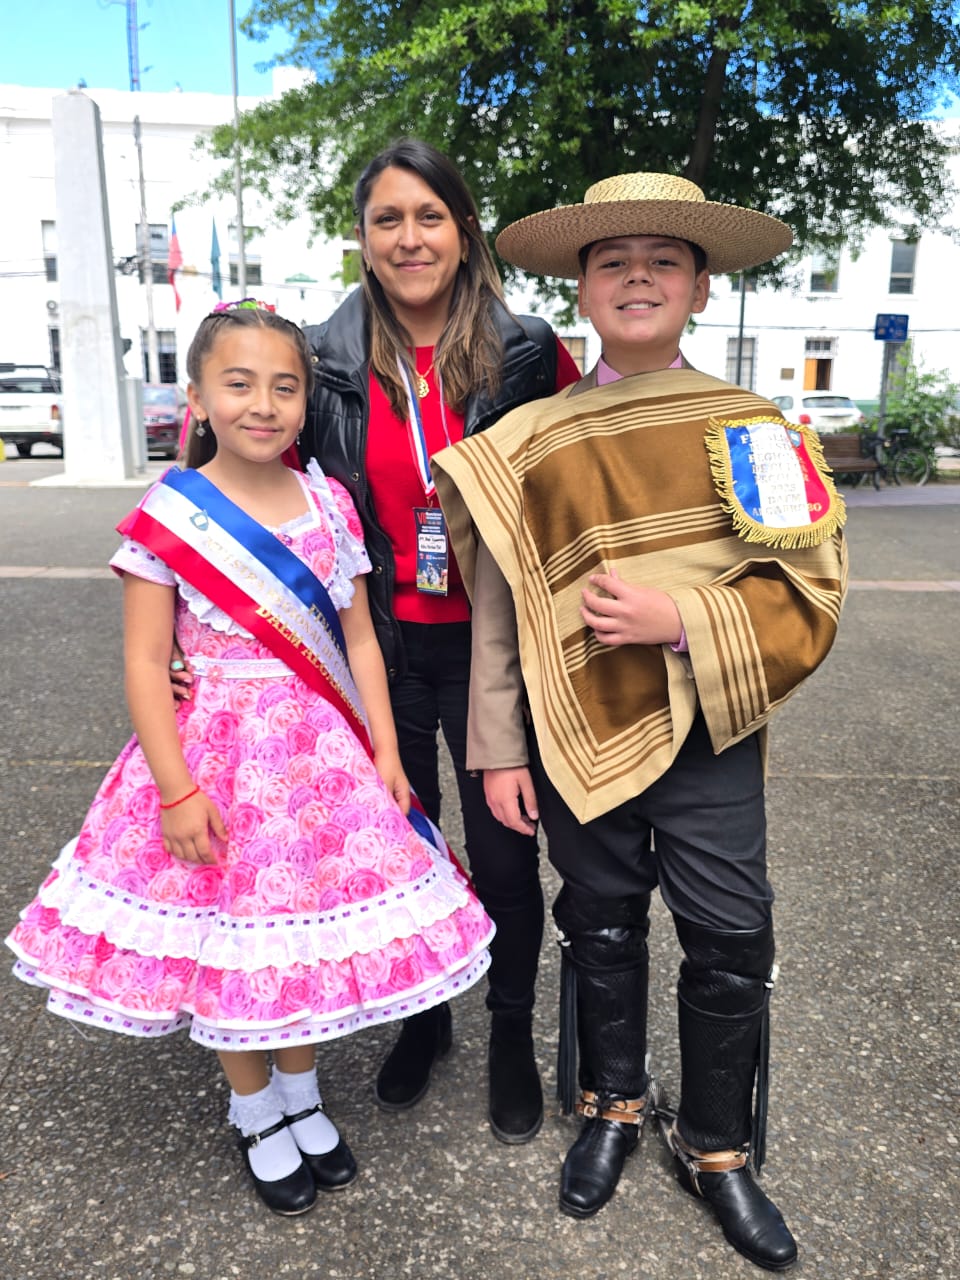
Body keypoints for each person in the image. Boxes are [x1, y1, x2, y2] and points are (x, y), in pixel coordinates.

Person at [432, 173, 847, 1270]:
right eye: (612, 260)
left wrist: (683, 616)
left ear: (701, 289)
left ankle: (717, 1146)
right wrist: (499, 748)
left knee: (730, 935)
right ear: (581, 286)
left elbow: (812, 588)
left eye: (664, 260)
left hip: (711, 731)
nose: (637, 277)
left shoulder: (753, 428)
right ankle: (612, 1104)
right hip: (574, 733)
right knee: (600, 921)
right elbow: (500, 613)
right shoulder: (531, 439)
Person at [5, 301, 494, 1217]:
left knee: (300, 932)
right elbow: (148, 660)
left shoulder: (328, 501)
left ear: (308, 400)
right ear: (197, 396)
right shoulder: (172, 511)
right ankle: (253, 1106)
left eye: (285, 386)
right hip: (217, 760)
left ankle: (300, 1091)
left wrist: (386, 750)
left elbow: (355, 636)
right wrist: (175, 789)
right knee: (230, 937)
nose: (262, 404)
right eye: (238, 384)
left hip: (320, 760)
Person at [295, 139, 582, 1142]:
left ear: (464, 231)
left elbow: (582, 489)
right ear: (364, 239)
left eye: (430, 216)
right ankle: (425, 1014)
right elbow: (252, 491)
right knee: (400, 849)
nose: (409, 237)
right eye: (388, 219)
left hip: (491, 653)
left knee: (504, 857)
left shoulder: (530, 351)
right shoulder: (320, 360)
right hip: (376, 649)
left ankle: (508, 1025)